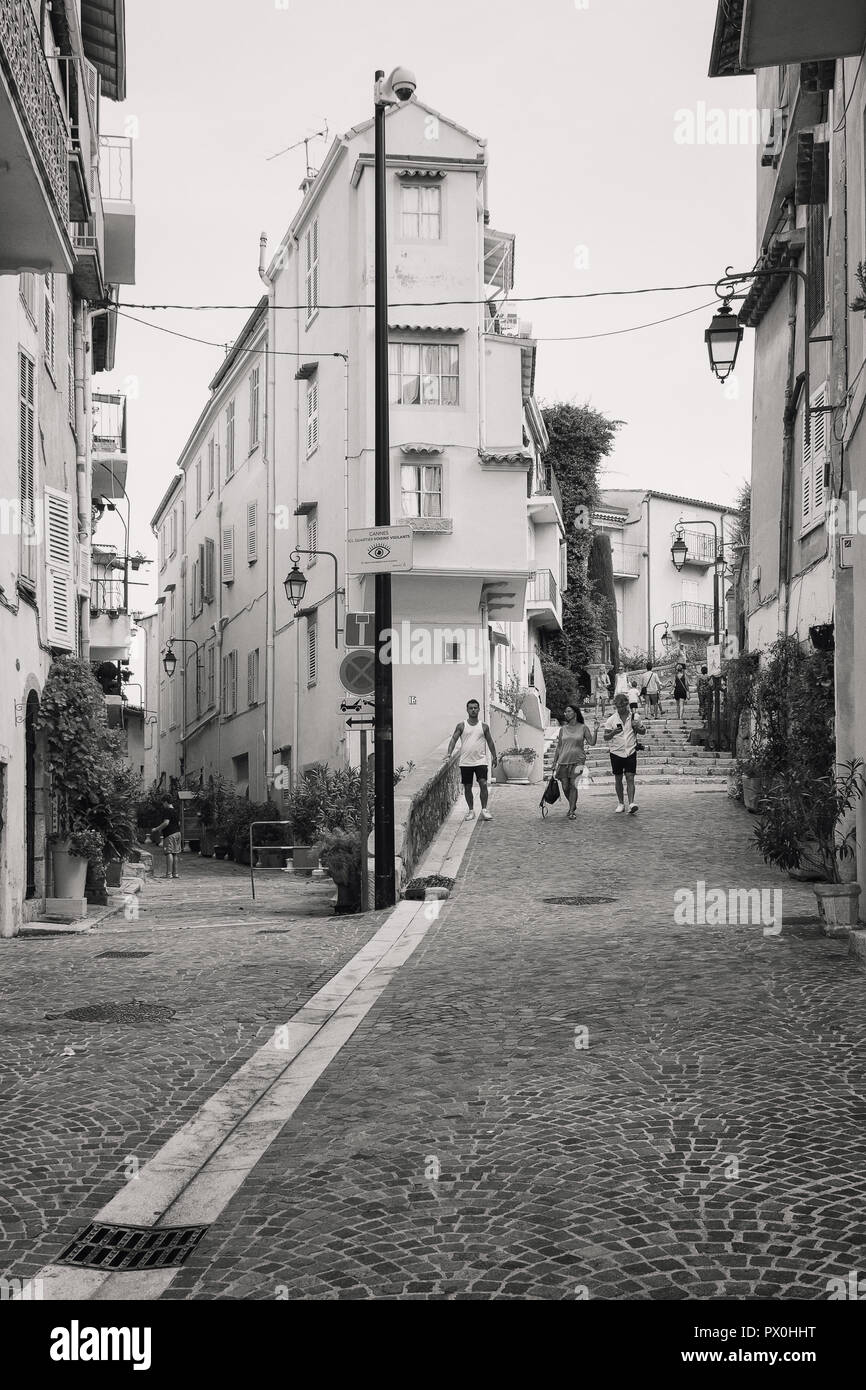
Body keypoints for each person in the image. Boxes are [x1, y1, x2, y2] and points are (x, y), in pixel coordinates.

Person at [446, 698, 498, 821]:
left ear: (479, 709)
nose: (473, 710)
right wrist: (449, 753)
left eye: (475, 708)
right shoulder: (461, 725)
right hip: (465, 762)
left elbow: (490, 742)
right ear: (467, 710)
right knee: (468, 787)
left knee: (483, 783)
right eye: (471, 708)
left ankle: (484, 810)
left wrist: (495, 756)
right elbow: (453, 739)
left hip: (480, 761)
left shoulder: (484, 726)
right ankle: (471, 811)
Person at [552, 703, 599, 820]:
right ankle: (573, 804)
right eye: (565, 712)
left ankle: (572, 810)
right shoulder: (563, 729)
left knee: (573, 785)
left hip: (578, 760)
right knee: (565, 786)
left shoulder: (583, 728)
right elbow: (559, 747)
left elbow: (592, 742)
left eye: (568, 711)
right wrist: (554, 762)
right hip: (563, 760)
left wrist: (596, 731)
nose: (566, 713)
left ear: (575, 713)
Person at [603, 691, 646, 815]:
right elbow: (605, 737)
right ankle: (621, 803)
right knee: (618, 778)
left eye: (623, 706)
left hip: (631, 751)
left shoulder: (635, 717)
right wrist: (613, 733)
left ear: (627, 704)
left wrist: (636, 727)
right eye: (618, 707)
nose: (621, 709)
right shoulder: (611, 720)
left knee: (630, 777)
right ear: (615, 706)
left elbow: (643, 731)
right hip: (616, 752)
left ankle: (631, 803)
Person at [152, 795, 182, 879]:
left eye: (163, 803)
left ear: (165, 802)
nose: (162, 805)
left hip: (170, 834)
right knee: (175, 853)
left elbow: (166, 823)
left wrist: (156, 829)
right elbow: (179, 823)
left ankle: (168, 874)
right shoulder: (175, 811)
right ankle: (175, 873)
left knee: (168, 852)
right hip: (177, 833)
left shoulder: (167, 811)